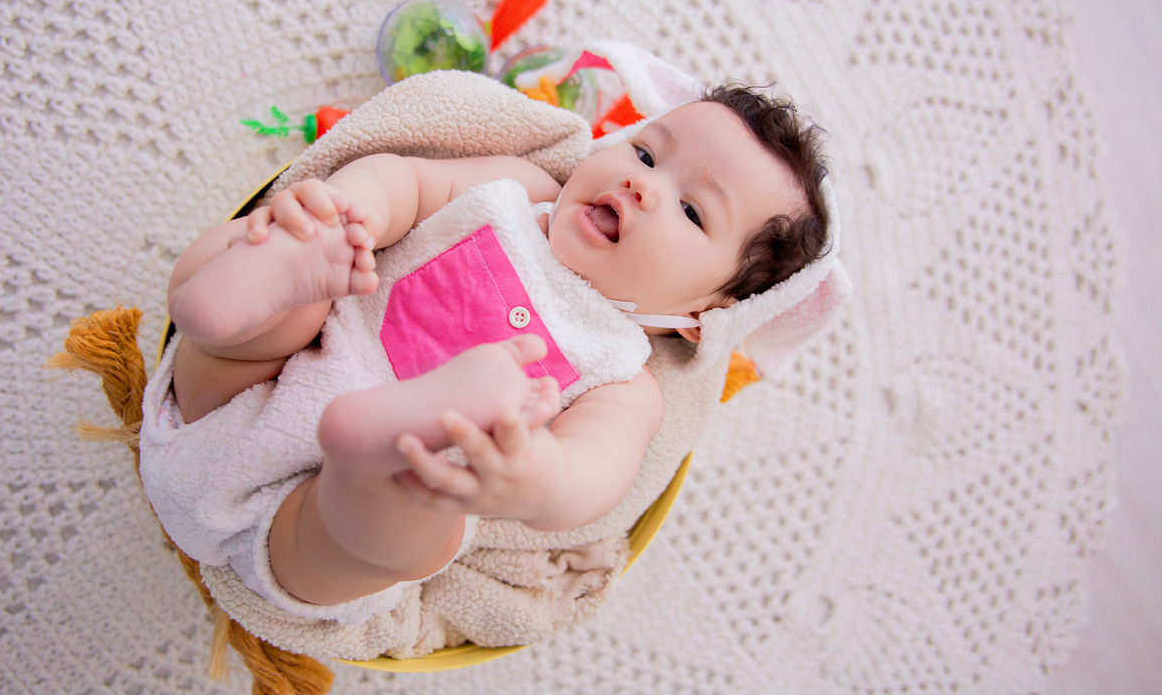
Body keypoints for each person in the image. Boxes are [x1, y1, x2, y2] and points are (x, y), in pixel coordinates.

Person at [143, 85, 829, 619]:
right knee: (294, 294)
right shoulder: (518, 191)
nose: (643, 184)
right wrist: (349, 215)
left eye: (692, 211)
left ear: (701, 315)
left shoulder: (622, 376)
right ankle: (231, 297)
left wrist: (537, 474)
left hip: (308, 535)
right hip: (255, 390)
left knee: (412, 527)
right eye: (645, 153)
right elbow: (405, 179)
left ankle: (380, 446)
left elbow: (596, 471)